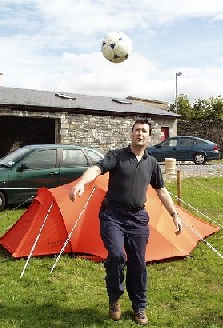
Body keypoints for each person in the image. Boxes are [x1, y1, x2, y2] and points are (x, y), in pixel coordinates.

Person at [69, 119, 182, 325]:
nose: (140, 134)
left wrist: (174, 214)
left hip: (138, 218)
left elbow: (162, 191)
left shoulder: (152, 163)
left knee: (138, 263)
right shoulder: (117, 156)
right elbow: (97, 168)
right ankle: (115, 298)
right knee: (115, 255)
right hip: (113, 214)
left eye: (144, 131)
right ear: (131, 134)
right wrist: (81, 183)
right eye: (137, 130)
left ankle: (139, 306)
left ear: (149, 137)